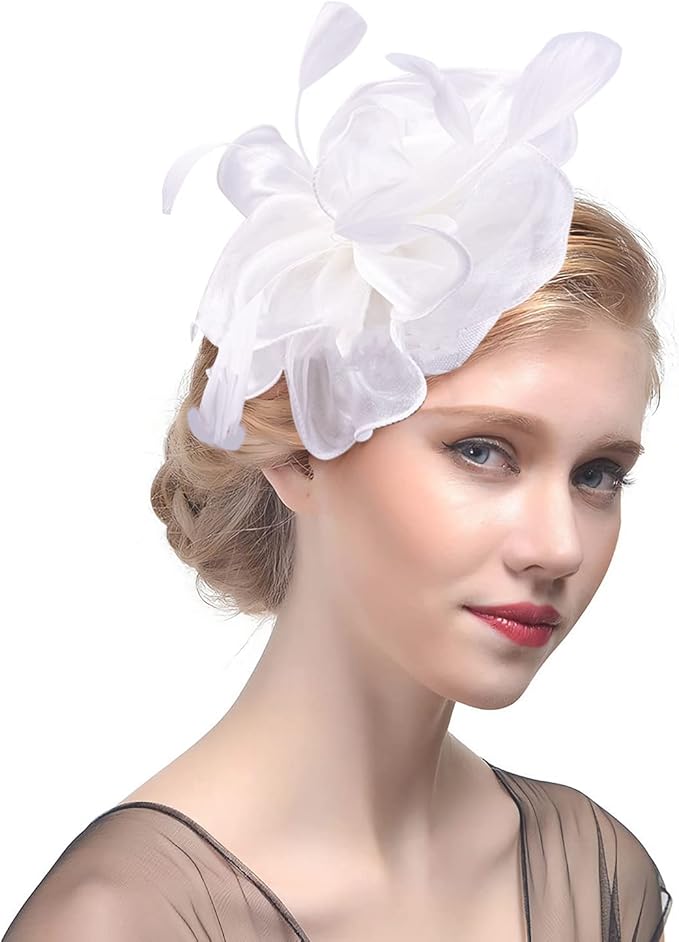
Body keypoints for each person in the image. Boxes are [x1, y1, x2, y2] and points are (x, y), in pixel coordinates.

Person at [3, 4, 673, 941]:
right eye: (482, 451)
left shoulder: (597, 872)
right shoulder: (120, 920)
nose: (558, 546)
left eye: (597, 474)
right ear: (297, 452)